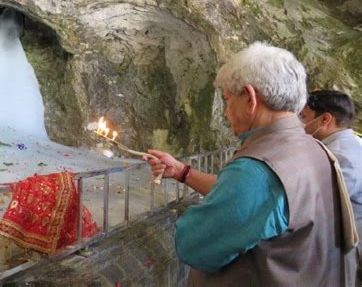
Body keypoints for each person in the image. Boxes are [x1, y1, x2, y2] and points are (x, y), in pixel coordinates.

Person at [144, 42, 356, 286]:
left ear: (250, 98)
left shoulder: (259, 169)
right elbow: (252, 201)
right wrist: (183, 172)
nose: (225, 112)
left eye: (227, 99)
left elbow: (194, 245)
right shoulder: (312, 148)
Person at [300, 89, 362, 286]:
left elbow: (319, 204)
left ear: (325, 119)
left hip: (343, 247)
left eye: (304, 117)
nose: (300, 124)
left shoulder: (341, 157)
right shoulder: (347, 145)